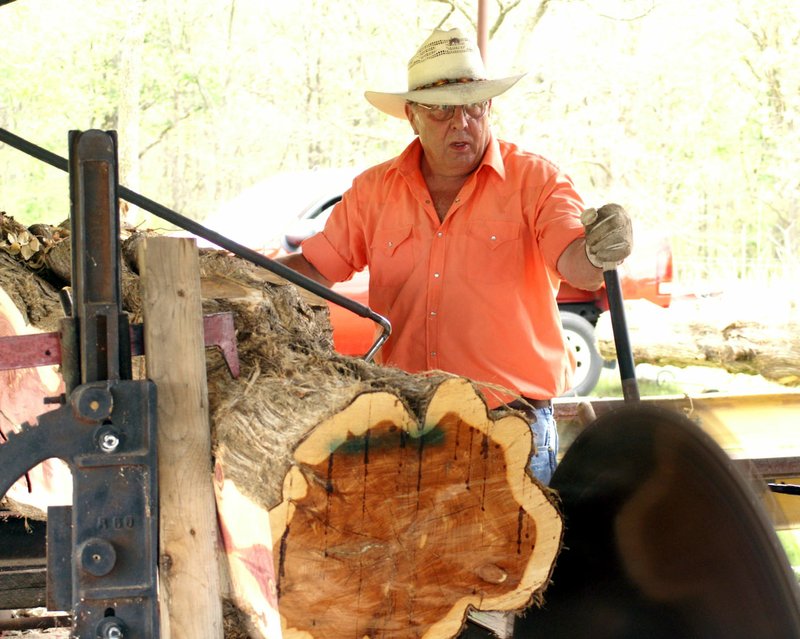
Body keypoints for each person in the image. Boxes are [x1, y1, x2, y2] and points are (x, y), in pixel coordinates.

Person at [278, 27, 632, 485]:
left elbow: (576, 261)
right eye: (442, 110)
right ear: (412, 117)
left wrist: (602, 247)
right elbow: (312, 269)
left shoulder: (536, 182)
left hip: (512, 428)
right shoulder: (374, 192)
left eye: (474, 106)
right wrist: (231, 275)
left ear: (490, 108)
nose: (461, 123)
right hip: (407, 428)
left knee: (521, 556)